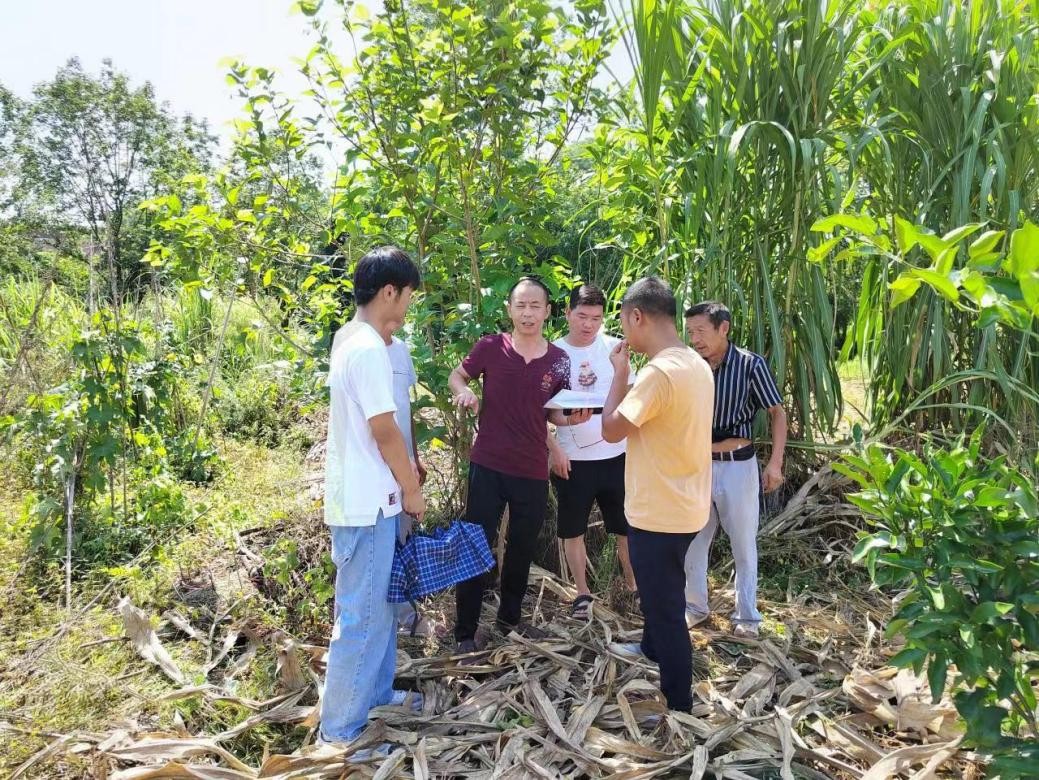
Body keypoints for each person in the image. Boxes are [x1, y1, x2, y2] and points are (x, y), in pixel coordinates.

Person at [320, 246, 426, 747]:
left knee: (379, 608)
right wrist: (412, 489)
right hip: (366, 505)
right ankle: (342, 731)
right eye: (407, 297)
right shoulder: (367, 349)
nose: (407, 308)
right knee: (360, 618)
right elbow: (384, 431)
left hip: (371, 502)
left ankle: (378, 694)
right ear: (389, 292)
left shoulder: (353, 338)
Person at [449, 276, 588, 653]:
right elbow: (458, 376)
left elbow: (551, 414)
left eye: (535, 306)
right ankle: (465, 632)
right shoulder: (492, 347)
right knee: (476, 544)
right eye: (520, 305)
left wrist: (570, 420)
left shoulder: (559, 362)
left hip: (531, 470)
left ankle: (510, 620)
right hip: (488, 464)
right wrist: (464, 393)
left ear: (547, 311)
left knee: (522, 547)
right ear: (509, 309)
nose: (528, 313)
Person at [600, 277, 714, 714]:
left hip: (658, 514)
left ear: (637, 317)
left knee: (667, 610)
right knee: (660, 590)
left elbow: (611, 430)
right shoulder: (693, 362)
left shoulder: (658, 373)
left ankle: (679, 706)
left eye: (624, 322)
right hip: (686, 505)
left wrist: (620, 377)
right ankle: (650, 648)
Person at [682, 301, 787, 638]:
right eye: (690, 332)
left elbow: (777, 412)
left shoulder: (749, 364)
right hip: (697, 466)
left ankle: (747, 616)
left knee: (743, 544)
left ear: (723, 328)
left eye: (701, 331)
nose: (695, 339)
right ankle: (695, 607)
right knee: (693, 542)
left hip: (736, 468)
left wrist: (775, 462)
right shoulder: (691, 366)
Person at [547, 284, 636, 618]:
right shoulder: (552, 354)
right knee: (573, 528)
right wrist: (561, 432)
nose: (588, 324)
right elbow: (546, 413)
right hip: (573, 457)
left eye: (596, 318)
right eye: (581, 316)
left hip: (617, 454)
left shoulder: (615, 348)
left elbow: (631, 397)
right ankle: (582, 594)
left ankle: (633, 587)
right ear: (567, 313)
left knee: (626, 527)